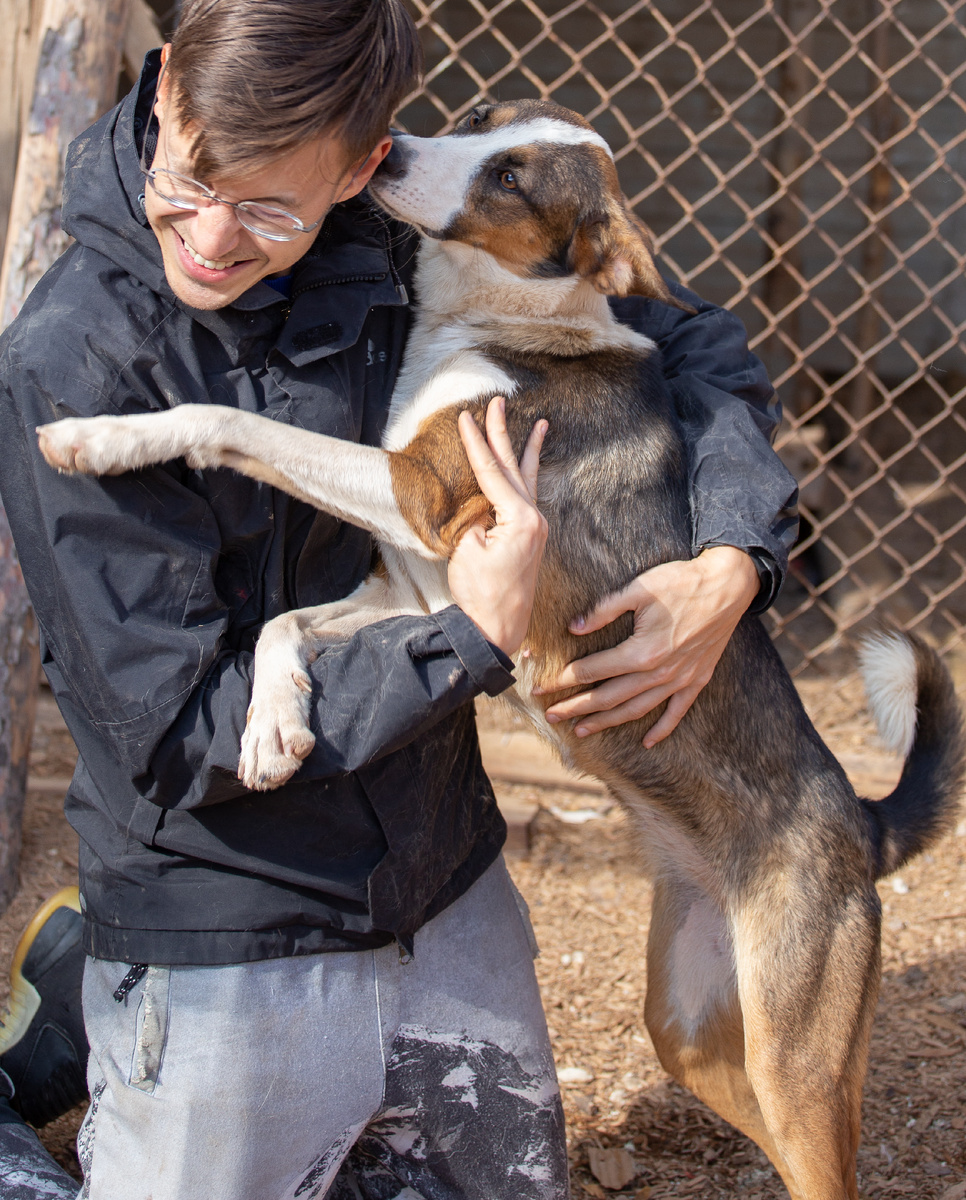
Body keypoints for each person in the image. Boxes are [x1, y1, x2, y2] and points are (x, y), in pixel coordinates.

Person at [0, 1, 797, 1197]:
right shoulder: (75, 362)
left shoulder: (387, 224)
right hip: (229, 903)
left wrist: (732, 556)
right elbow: (175, 735)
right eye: (195, 180)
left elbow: (694, 350)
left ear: (365, 168)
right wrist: (469, 638)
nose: (215, 238)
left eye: (274, 206)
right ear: (164, 93)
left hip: (436, 867)